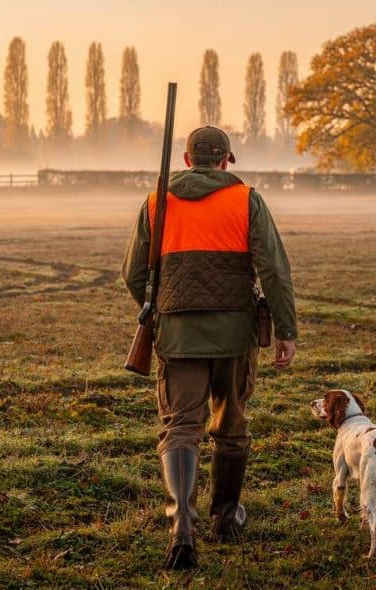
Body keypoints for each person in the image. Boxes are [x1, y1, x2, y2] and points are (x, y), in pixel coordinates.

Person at [121, 126, 298, 570]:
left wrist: (159, 308)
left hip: (177, 337)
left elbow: (132, 275)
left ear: (186, 160)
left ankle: (182, 526)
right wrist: (286, 329)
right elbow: (274, 270)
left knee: (181, 428)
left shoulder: (156, 202)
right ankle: (224, 518)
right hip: (235, 336)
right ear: (226, 161)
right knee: (231, 427)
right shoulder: (246, 199)